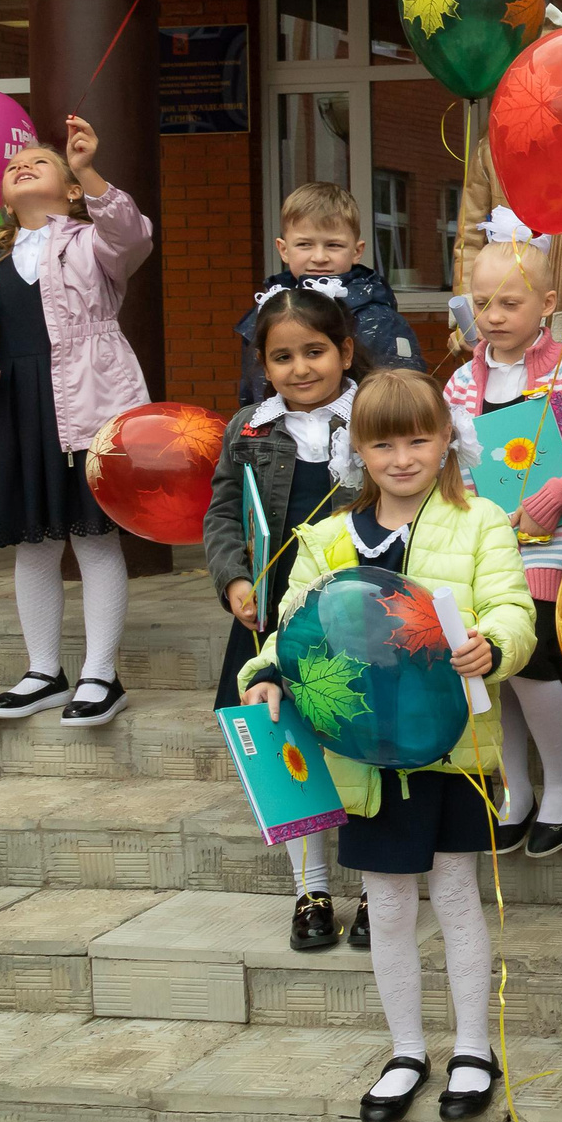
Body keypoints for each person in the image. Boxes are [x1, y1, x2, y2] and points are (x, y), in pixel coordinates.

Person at [236, 368, 533, 1122]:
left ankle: (474, 1047)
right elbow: (294, 629)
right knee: (390, 902)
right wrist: (266, 673)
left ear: (447, 441)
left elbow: (510, 606)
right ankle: (406, 1049)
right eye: (383, 442)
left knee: (458, 896)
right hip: (365, 757)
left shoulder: (481, 521)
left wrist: (493, 646)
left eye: (418, 438)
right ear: (357, 450)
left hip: (454, 751)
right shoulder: (328, 537)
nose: (402, 457)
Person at [0, 117, 150, 728]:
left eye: (42, 161)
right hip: (15, 407)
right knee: (33, 544)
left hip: (85, 407)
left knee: (92, 536)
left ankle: (100, 675)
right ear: (4, 198)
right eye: (14, 167)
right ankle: (43, 672)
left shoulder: (92, 241)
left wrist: (89, 170)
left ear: (68, 191)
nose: (24, 165)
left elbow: (132, 233)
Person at [442, 212, 562, 858]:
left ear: (548, 305)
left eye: (510, 302)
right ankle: (515, 788)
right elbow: (451, 465)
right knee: (494, 663)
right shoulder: (461, 382)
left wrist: (550, 500)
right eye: (482, 302)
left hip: (552, 546)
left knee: (537, 653)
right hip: (482, 550)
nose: (493, 315)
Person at [205, 283, 367, 952]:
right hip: (271, 615)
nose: (301, 367)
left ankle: (378, 890)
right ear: (263, 364)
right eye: (282, 356)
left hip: (356, 611)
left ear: (345, 350)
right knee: (287, 745)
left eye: (315, 351)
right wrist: (234, 576)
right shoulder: (249, 428)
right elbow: (220, 513)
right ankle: (312, 888)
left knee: (361, 744)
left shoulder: (376, 416)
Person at [235, 181, 423, 406]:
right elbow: (252, 395)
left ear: (357, 251)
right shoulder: (265, 313)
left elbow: (407, 401)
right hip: (278, 437)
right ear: (283, 249)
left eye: (333, 245)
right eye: (305, 244)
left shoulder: (380, 319)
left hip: (358, 436)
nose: (319, 257)